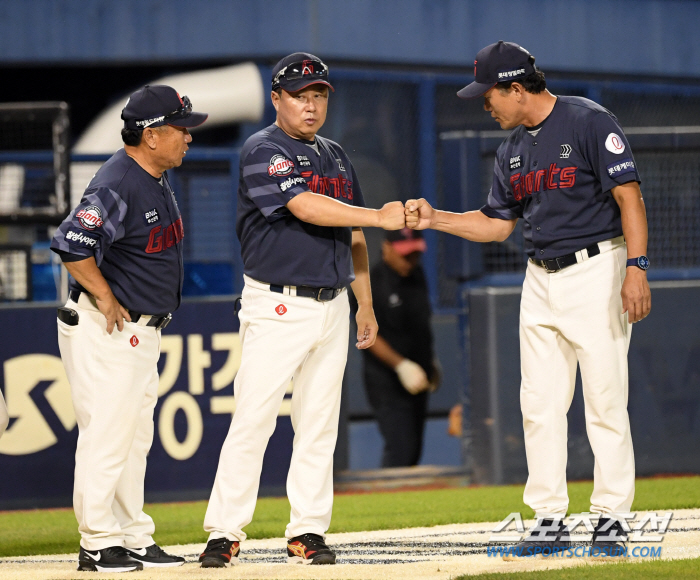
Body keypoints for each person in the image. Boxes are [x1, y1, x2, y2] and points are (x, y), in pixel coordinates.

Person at [406, 41, 651, 557]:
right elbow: (497, 226)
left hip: (596, 270)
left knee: (605, 402)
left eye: (490, 93)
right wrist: (437, 219)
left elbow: (630, 198)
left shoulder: (588, 120)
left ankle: (610, 519)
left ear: (517, 88)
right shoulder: (512, 148)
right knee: (538, 405)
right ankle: (548, 521)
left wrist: (636, 268)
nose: (485, 103)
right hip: (538, 277)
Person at [199, 53, 405, 568]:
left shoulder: (335, 154)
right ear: (277, 99)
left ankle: (307, 531)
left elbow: (353, 233)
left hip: (333, 303)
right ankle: (224, 532)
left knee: (319, 424)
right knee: (254, 419)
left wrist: (365, 302)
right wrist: (379, 215)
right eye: (300, 96)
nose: (311, 106)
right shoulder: (262, 148)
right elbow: (305, 206)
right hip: (276, 303)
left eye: (319, 96)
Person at [50, 85, 208, 572]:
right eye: (181, 130)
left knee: (133, 438)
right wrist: (103, 292)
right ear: (151, 134)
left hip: (138, 331)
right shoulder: (118, 180)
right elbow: (72, 242)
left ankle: (133, 535)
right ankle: (97, 541)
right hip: (107, 328)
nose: (188, 138)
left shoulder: (153, 174)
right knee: (108, 437)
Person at [362, 228, 438, 467]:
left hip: (419, 376)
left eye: (414, 254)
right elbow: (367, 336)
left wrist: (431, 362)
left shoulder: (418, 276)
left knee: (414, 449)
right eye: (405, 254)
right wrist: (401, 365)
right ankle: (383, 503)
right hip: (387, 380)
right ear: (386, 248)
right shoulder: (372, 283)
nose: (410, 260)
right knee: (400, 448)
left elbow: (421, 324)